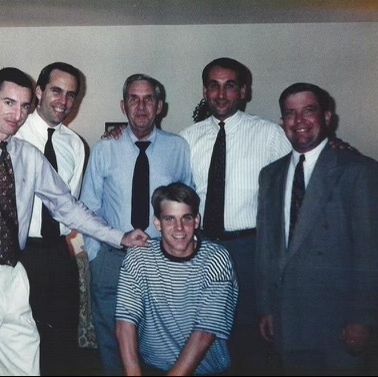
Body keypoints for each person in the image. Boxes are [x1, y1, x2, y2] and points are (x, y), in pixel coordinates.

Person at [0, 67, 149, 376]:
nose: (18, 113)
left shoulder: (28, 155)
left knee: (25, 363)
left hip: (14, 274)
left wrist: (119, 237)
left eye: (25, 106)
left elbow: (68, 208)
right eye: (9, 103)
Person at [0, 61, 86, 375]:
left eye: (71, 95)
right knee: (10, 345)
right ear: (39, 92)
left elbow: (69, 205)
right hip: (15, 254)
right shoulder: (9, 129)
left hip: (57, 253)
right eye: (56, 90)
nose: (63, 101)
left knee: (61, 341)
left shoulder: (75, 145)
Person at [256, 82, 378, 375]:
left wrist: (363, 319)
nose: (299, 122)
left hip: (339, 325)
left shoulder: (361, 172)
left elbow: (373, 254)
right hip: (288, 321)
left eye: (309, 111)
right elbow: (267, 248)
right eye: (290, 114)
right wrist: (267, 308)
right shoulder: (271, 175)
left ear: (328, 117)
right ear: (282, 122)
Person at [180, 57, 291, 375]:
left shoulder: (270, 135)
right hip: (200, 250)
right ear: (205, 91)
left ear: (244, 91)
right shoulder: (188, 138)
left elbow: (293, 190)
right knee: (202, 337)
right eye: (214, 86)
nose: (221, 94)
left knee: (249, 337)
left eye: (230, 86)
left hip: (249, 249)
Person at [80, 73, 194, 375]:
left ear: (160, 107)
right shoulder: (104, 149)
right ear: (123, 106)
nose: (141, 106)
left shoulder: (178, 148)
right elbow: (88, 206)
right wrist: (96, 256)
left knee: (160, 344)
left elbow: (189, 204)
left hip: (162, 261)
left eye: (148, 99)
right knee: (113, 345)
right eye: (134, 98)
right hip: (113, 261)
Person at [115, 182, 239, 376]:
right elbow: (125, 321)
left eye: (186, 218)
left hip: (207, 371)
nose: (179, 228)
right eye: (170, 219)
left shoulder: (216, 259)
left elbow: (205, 332)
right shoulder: (139, 257)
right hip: (153, 368)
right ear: (158, 223)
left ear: (196, 220)